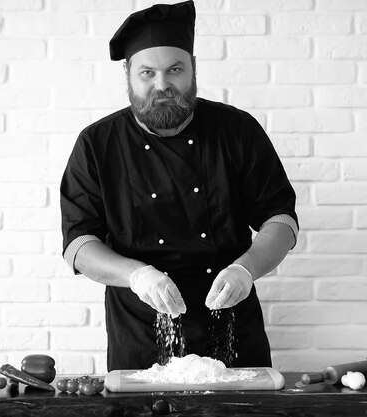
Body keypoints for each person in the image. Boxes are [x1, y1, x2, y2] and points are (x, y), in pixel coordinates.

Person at [60, 0, 298, 371]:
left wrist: (246, 269)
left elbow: (281, 221)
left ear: (193, 68)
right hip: (141, 334)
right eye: (147, 73)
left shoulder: (238, 131)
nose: (162, 85)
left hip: (233, 324)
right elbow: (79, 244)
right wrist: (136, 276)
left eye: (174, 70)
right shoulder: (97, 143)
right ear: (128, 73)